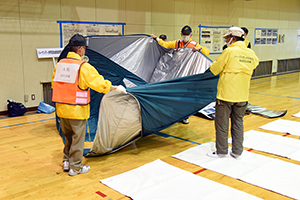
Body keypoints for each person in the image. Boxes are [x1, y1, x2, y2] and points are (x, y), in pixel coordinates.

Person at [51, 34, 126, 176]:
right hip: (77, 110)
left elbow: (54, 83)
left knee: (67, 136)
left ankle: (67, 161)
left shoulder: (59, 65)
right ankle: (76, 167)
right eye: (84, 48)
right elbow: (99, 83)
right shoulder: (83, 67)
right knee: (77, 139)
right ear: (80, 49)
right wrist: (115, 88)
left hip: (61, 108)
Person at [207, 27, 259, 159]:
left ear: (233, 38)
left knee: (222, 125)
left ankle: (222, 152)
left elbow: (214, 69)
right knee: (238, 123)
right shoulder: (251, 54)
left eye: (227, 38)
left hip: (226, 95)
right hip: (242, 96)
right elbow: (255, 64)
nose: (227, 41)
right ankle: (237, 152)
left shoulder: (229, 51)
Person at [151, 25, 210, 124]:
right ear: (181, 34)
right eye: (184, 34)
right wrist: (157, 38)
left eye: (187, 34)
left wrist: (200, 49)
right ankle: (174, 114)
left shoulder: (194, 44)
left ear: (191, 34)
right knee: (175, 93)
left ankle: (185, 116)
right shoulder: (177, 43)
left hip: (188, 72)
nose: (185, 36)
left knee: (185, 95)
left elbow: (206, 52)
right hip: (177, 71)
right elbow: (166, 45)